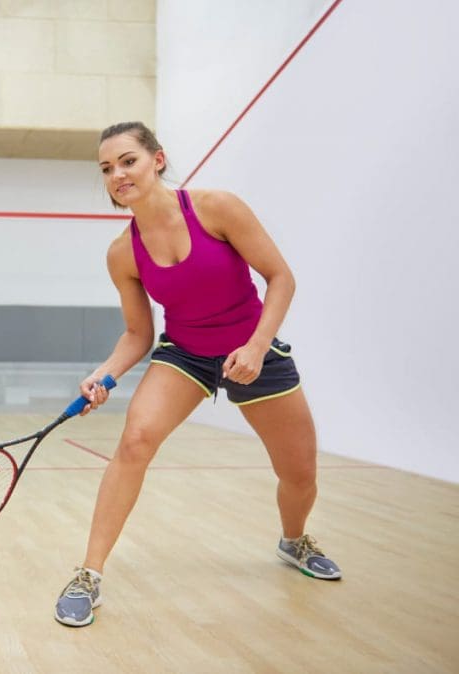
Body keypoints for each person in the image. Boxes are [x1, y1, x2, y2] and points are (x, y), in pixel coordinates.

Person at [54, 122, 340, 627]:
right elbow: (138, 334)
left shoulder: (216, 208)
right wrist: (105, 374)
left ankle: (294, 541)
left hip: (256, 350)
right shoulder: (123, 252)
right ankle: (88, 574)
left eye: (128, 161)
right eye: (106, 169)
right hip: (185, 354)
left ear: (157, 160)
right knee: (135, 440)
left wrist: (255, 347)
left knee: (299, 474)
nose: (117, 174)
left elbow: (281, 277)